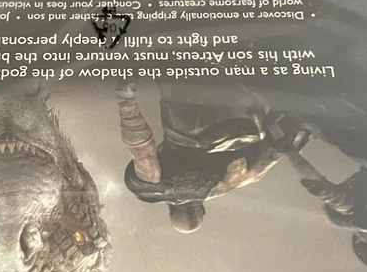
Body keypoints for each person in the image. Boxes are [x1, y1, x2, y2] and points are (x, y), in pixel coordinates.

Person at [114, 81, 309, 232]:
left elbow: (275, 151)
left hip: (246, 115)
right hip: (186, 113)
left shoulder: (237, 182)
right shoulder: (152, 191)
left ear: (202, 209)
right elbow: (144, 152)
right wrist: (126, 99)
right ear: (171, 210)